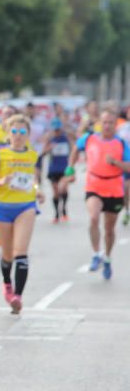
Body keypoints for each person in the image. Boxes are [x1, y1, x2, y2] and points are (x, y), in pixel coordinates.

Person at [0, 116, 44, 313]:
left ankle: (18, 296)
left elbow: (33, 179)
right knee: (7, 255)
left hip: (25, 206)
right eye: (14, 132)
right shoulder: (0, 153)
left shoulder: (32, 155)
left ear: (28, 135)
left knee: (21, 253)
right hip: (2, 207)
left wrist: (37, 190)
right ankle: (7, 283)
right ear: (8, 134)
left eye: (22, 132)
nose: (18, 136)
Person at [69, 109, 130, 280]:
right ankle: (96, 254)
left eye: (111, 122)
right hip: (94, 185)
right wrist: (70, 169)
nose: (107, 125)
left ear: (115, 125)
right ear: (100, 123)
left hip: (114, 187)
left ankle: (108, 258)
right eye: (104, 122)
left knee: (109, 229)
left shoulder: (121, 143)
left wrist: (116, 162)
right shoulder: (90, 139)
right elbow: (75, 150)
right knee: (94, 218)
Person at [42, 117, 73, 222]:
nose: (57, 132)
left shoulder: (66, 138)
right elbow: (43, 153)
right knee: (55, 192)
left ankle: (64, 209)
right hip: (53, 169)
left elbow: (73, 150)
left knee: (63, 189)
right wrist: (49, 148)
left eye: (58, 129)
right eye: (55, 130)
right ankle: (56, 214)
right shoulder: (50, 140)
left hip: (64, 169)